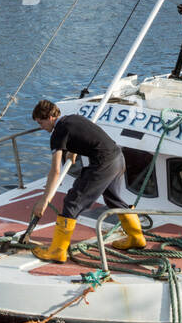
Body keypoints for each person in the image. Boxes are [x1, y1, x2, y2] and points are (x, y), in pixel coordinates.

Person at [29, 100, 145, 263]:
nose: (41, 127)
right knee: (113, 199)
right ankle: (136, 237)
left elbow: (55, 171)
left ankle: (57, 251)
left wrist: (44, 200)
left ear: (50, 117)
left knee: (72, 202)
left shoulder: (58, 133)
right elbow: (86, 136)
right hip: (117, 157)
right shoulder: (73, 119)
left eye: (41, 123)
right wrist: (73, 150)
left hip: (103, 163)